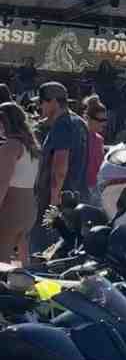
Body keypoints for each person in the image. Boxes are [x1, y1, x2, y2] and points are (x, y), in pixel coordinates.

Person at [33, 82, 89, 253]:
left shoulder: (62, 124)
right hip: (75, 196)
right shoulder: (79, 122)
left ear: (54, 102)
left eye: (42, 101)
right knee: (65, 251)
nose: (39, 106)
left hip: (58, 201)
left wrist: (53, 202)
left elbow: (60, 166)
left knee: (42, 253)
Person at [0, 102, 39, 264]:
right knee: (23, 255)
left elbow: (2, 181)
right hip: (29, 205)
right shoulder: (31, 145)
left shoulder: (11, 145)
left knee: (2, 257)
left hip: (12, 204)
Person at [83, 95, 108, 204]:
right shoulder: (80, 137)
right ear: (87, 118)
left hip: (95, 186)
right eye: (100, 120)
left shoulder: (99, 139)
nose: (104, 123)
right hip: (83, 188)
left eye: (105, 120)